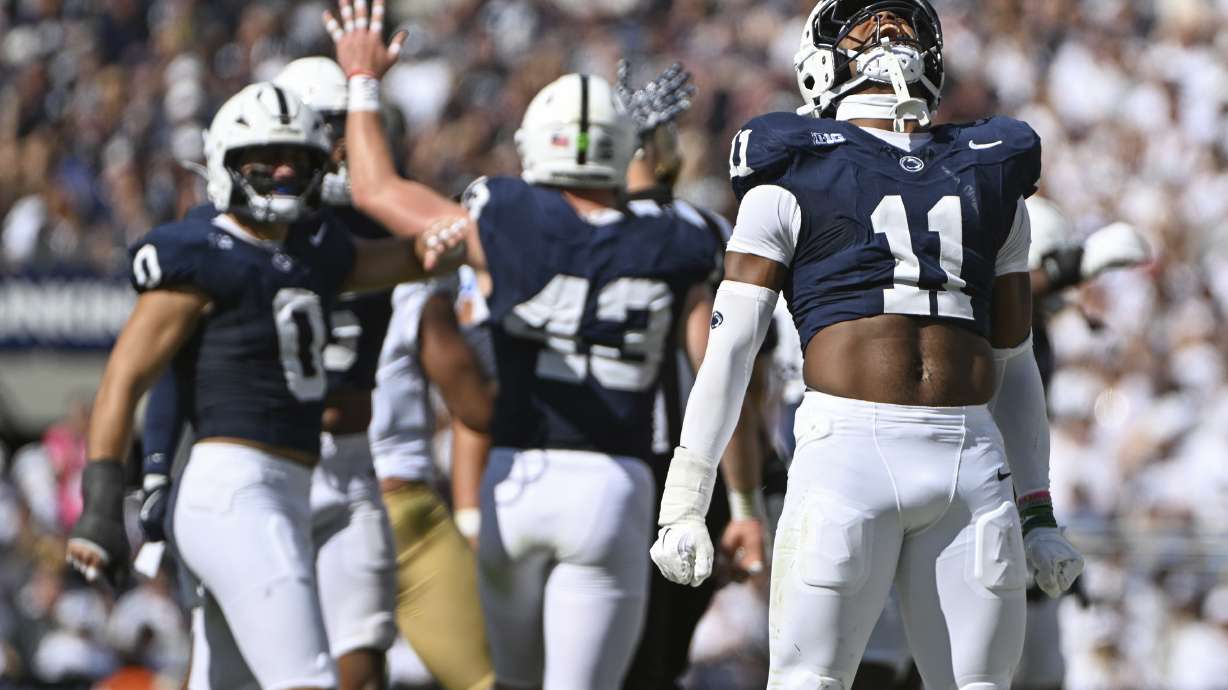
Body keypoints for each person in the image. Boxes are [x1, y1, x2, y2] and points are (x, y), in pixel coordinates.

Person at [648, 1, 1084, 689]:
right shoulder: (788, 167)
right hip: (846, 449)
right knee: (808, 681)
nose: (889, 35)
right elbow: (727, 353)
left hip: (970, 455)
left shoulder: (992, 170)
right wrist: (685, 498)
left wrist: (1039, 510)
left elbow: (1015, 360)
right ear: (820, 60)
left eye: (905, 24)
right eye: (867, 25)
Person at [321, 3, 724, 685]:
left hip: (516, 483)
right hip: (613, 481)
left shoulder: (505, 213)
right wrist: (727, 502)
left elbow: (376, 189)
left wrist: (362, 80)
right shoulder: (677, 237)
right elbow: (714, 377)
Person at [66, 81, 463, 690]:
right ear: (223, 161)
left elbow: (412, 257)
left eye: (296, 158)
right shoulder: (200, 252)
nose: (281, 171)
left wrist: (469, 222)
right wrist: (100, 501)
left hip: (283, 489)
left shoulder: (317, 251)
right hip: (234, 491)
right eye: (263, 159)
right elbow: (124, 378)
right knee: (308, 680)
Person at [138, 57, 406, 690]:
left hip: (339, 464)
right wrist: (151, 470)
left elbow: (428, 239)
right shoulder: (221, 235)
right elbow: (166, 367)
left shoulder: (373, 223)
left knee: (359, 665)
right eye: (329, 127)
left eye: (351, 128)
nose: (342, 147)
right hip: (248, 468)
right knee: (234, 672)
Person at [616, 60, 772, 690]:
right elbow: (724, 370)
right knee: (656, 661)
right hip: (672, 474)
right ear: (656, 145)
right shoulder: (699, 233)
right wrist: (743, 499)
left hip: (564, 454)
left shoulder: (560, 225)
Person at [368, 269, 496, 690]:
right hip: (402, 503)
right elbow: (476, 406)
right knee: (490, 678)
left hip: (307, 495)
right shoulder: (411, 283)